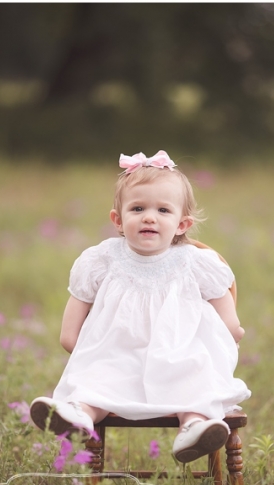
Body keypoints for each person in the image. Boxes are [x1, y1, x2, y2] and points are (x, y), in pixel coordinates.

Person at [30, 150, 251, 463]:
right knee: (99, 376)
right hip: (118, 353)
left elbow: (223, 307)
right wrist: (82, 346)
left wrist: (232, 329)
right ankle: (79, 414)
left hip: (178, 354)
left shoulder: (196, 262)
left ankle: (193, 426)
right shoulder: (101, 260)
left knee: (197, 374)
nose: (149, 216)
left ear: (181, 223)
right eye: (138, 208)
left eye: (163, 209)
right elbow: (73, 319)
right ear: (118, 220)